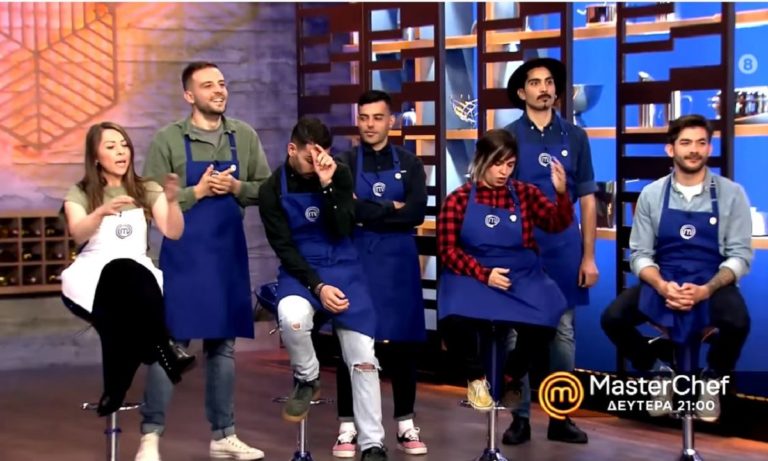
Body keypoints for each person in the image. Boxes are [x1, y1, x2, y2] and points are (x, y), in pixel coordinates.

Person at [137, 62, 271, 461]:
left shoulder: (243, 135)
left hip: (227, 254)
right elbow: (150, 198)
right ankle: (150, 436)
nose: (219, 90)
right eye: (208, 85)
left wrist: (236, 186)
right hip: (184, 255)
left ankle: (224, 435)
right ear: (189, 95)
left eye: (222, 84)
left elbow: (266, 190)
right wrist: (195, 192)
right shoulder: (168, 139)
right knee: (172, 343)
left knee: (223, 347)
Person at [601, 114, 752, 422]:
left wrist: (706, 290)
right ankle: (659, 371)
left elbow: (739, 256)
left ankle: (712, 379)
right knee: (613, 318)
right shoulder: (652, 194)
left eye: (701, 143)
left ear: (709, 148)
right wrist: (661, 286)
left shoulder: (732, 193)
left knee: (739, 322)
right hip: (664, 279)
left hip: (711, 282)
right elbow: (640, 255)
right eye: (685, 143)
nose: (694, 150)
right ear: (671, 149)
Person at [258, 116, 389, 461]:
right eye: (309, 158)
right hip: (302, 272)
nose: (317, 164)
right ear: (291, 149)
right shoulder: (271, 190)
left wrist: (329, 185)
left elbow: (343, 227)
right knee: (292, 317)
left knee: (363, 358)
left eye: (323, 156)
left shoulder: (339, 173)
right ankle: (307, 378)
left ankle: (373, 444)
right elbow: (284, 248)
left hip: (344, 268)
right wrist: (317, 287)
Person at [60, 121, 196, 418]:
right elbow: (78, 233)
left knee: (129, 276)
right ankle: (164, 347)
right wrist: (100, 212)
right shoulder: (80, 192)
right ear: (96, 157)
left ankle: (115, 389)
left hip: (138, 275)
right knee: (121, 271)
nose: (121, 152)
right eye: (111, 147)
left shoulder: (147, 188)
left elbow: (173, 232)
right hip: (94, 273)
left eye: (124, 145)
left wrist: (172, 202)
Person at [437, 129, 572, 414]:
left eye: (509, 164)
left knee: (550, 312)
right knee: (452, 318)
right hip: (472, 273)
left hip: (521, 274)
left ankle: (512, 376)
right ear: (481, 160)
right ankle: (476, 379)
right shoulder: (458, 199)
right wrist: (483, 273)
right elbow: (447, 250)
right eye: (497, 164)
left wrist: (561, 194)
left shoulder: (525, 194)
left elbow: (555, 223)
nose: (503, 171)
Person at [502, 57, 595, 444]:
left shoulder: (576, 136)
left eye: (549, 82)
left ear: (556, 91)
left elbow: (587, 198)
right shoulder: (507, 137)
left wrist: (588, 256)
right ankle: (519, 417)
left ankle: (560, 417)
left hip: (564, 248)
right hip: (519, 248)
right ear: (522, 92)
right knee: (515, 333)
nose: (544, 88)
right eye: (535, 82)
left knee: (563, 332)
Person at [331, 90, 429, 457]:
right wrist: (390, 207)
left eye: (377, 118)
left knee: (404, 344)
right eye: (364, 118)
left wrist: (367, 209)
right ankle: (347, 426)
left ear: (391, 121)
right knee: (352, 343)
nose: (370, 125)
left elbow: (416, 213)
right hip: (355, 259)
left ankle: (405, 424)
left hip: (399, 261)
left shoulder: (411, 163)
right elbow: (345, 211)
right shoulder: (343, 162)